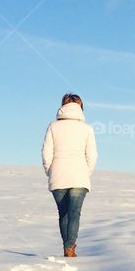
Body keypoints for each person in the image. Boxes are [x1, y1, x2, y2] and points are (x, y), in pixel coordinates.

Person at [41, 93, 98, 257]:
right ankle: (70, 248)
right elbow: (92, 156)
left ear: (62, 107)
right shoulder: (87, 128)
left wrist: (50, 171)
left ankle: (68, 247)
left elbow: (46, 154)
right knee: (74, 213)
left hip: (58, 176)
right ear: (80, 108)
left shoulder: (53, 126)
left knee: (63, 213)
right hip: (79, 177)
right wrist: (85, 173)